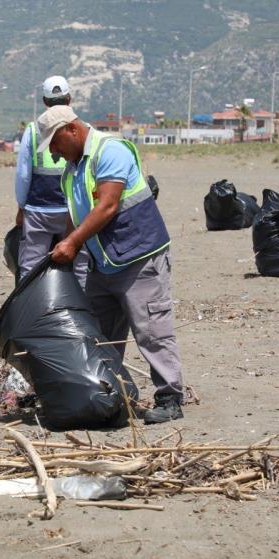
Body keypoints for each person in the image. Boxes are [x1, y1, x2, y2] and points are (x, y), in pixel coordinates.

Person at [37, 105, 184, 424]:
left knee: (151, 330)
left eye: (55, 143)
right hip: (103, 264)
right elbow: (74, 217)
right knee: (99, 336)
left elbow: (108, 205)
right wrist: (62, 247)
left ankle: (170, 397)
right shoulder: (71, 171)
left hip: (138, 257)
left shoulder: (110, 152)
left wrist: (72, 243)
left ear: (72, 130)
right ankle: (111, 396)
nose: (54, 152)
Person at [13, 75, 89, 286]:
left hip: (39, 210)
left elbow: (23, 174)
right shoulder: (82, 129)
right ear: (69, 98)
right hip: (74, 211)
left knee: (31, 265)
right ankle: (81, 310)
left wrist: (21, 207)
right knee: (81, 264)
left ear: (45, 102)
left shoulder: (33, 130)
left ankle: (30, 310)